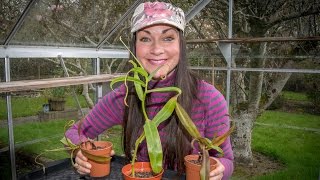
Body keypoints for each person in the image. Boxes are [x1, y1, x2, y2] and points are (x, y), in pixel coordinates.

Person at [66, 1, 234, 179]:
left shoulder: (208, 98)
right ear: (135, 47)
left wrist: (218, 169)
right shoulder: (126, 96)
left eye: (168, 38)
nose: (156, 49)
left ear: (181, 45)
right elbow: (73, 132)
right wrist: (81, 151)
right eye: (145, 39)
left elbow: (226, 160)